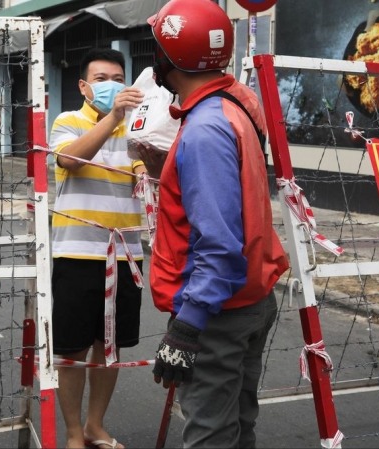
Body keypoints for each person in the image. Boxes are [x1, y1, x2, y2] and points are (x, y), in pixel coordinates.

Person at [139, 0, 290, 447]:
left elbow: (220, 244)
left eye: (157, 48)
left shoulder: (205, 130)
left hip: (218, 312)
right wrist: (174, 168)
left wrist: (187, 328)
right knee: (238, 424)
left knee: (210, 434)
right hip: (250, 299)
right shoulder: (235, 103)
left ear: (170, 60)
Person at [49, 48, 145, 449]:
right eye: (102, 78)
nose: (112, 86)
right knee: (71, 349)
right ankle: (72, 433)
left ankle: (95, 426)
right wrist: (113, 118)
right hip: (75, 253)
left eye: (118, 78)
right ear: (84, 86)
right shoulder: (67, 121)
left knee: (110, 347)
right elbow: (70, 159)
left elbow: (153, 176)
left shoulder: (138, 129)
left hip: (125, 255)